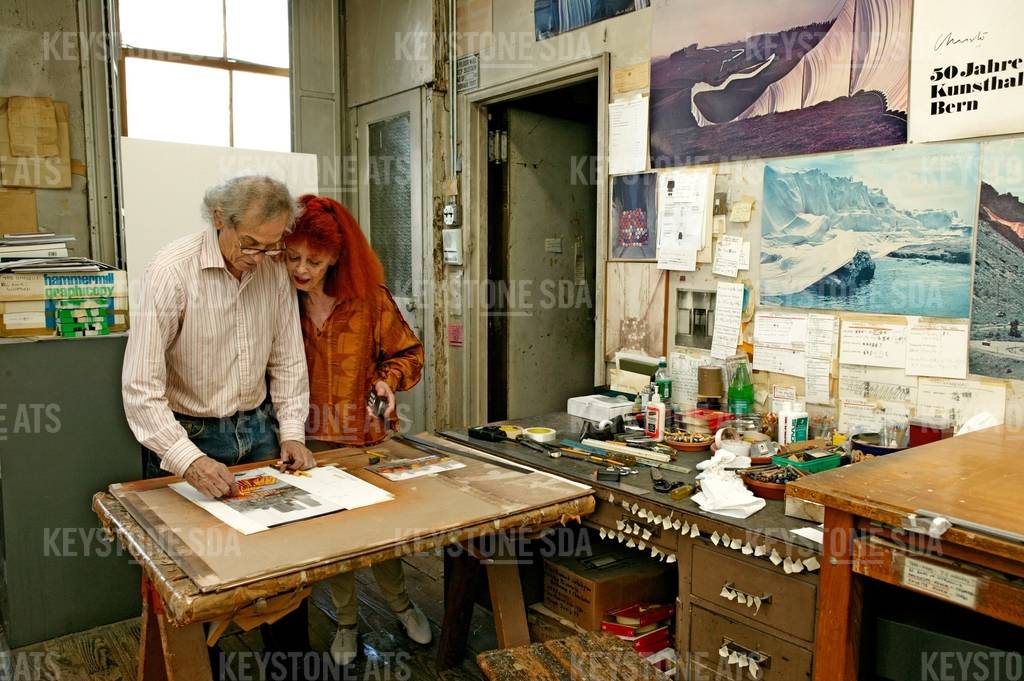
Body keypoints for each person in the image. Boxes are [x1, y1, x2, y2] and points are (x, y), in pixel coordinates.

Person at [122, 174, 316, 655]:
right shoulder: (172, 271)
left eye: (273, 248)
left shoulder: (271, 270)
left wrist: (291, 432)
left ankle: (291, 667)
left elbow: (289, 359)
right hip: (190, 433)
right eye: (251, 244)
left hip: (258, 429)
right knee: (197, 581)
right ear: (218, 220)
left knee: (282, 566)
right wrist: (186, 459)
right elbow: (141, 387)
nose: (260, 258)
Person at [282, 194, 430, 665]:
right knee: (335, 540)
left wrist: (387, 380)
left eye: (315, 261)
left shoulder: (369, 301)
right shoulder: (280, 301)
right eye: (294, 258)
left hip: (366, 438)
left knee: (380, 534)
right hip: (305, 441)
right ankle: (346, 622)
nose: (302, 270)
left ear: (337, 258)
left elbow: (410, 355)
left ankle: (402, 605)